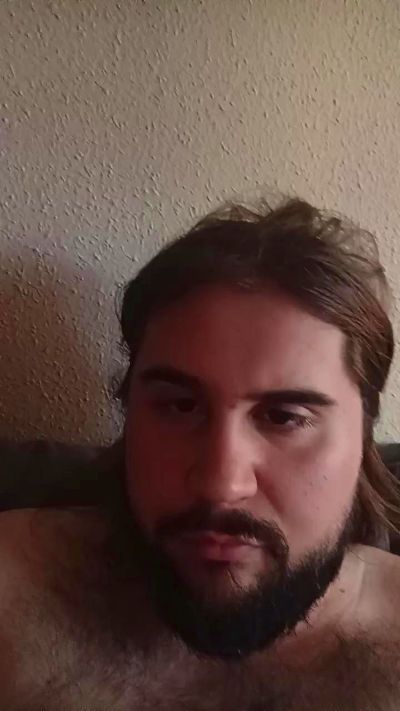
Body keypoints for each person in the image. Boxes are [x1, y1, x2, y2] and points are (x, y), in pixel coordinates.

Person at [0, 197, 400, 710]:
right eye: (180, 406)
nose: (220, 483)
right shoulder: (13, 591)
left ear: (363, 435)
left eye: (284, 417)